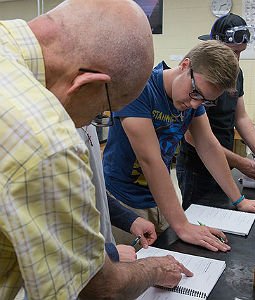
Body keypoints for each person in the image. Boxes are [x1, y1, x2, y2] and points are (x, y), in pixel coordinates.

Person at [0, 1, 193, 299]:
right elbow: (98, 288)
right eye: (103, 111)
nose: (91, 122)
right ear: (86, 84)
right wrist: (154, 269)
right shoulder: (50, 141)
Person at [103, 40, 255, 254]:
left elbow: (209, 146)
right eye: (195, 93)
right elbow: (150, 160)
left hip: (161, 198)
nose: (195, 104)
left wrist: (239, 200)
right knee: (132, 267)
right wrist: (182, 225)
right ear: (185, 66)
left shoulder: (192, 100)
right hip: (123, 202)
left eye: (205, 101)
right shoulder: (140, 89)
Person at [176, 13, 255, 210]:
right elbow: (194, 138)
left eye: (240, 53)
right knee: (199, 218)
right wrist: (240, 162)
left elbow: (241, 117)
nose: (236, 60)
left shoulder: (236, 74)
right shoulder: (201, 78)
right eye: (232, 52)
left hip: (223, 160)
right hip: (197, 167)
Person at [78, 125, 157, 262]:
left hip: (98, 261)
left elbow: (94, 193)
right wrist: (109, 253)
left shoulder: (88, 125)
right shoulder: (55, 136)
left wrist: (130, 220)